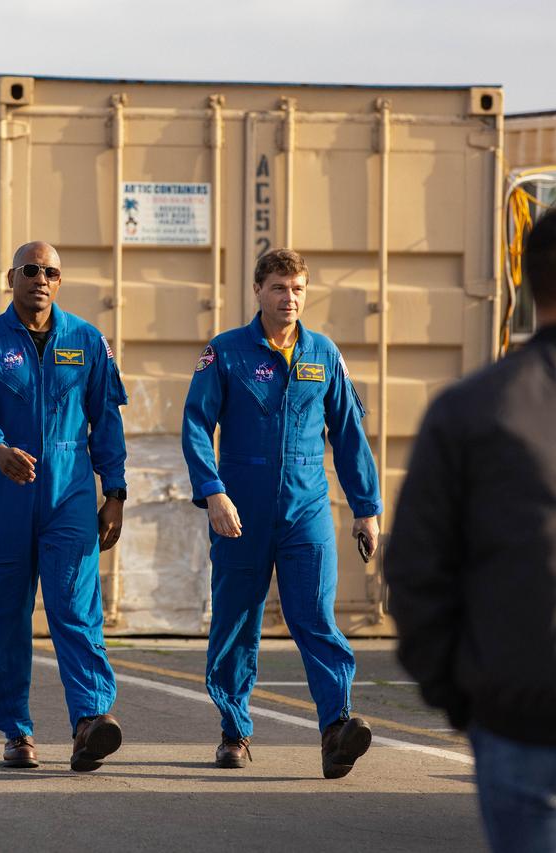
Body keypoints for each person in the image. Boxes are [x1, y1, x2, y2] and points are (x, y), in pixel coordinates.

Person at [386, 204, 556, 852]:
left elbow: (412, 573)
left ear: (531, 286)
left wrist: (465, 700)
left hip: (526, 730)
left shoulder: (470, 408)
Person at [181, 248, 381, 778]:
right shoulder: (225, 353)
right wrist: (213, 492)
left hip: (306, 509)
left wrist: (367, 508)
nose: (288, 298)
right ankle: (234, 730)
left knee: (314, 617)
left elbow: (348, 434)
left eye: (296, 288)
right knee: (235, 621)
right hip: (239, 511)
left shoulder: (323, 354)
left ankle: (336, 729)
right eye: (277, 287)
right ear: (257, 291)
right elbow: (197, 425)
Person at [0, 241, 129, 772]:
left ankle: (90, 721)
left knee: (75, 610)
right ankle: (16, 729)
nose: (41, 279)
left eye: (51, 271)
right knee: (8, 616)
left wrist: (114, 492)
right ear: (12, 277)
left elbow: (107, 420)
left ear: (59, 279)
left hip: (71, 494)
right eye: (31, 270)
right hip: (9, 491)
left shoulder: (87, 340)